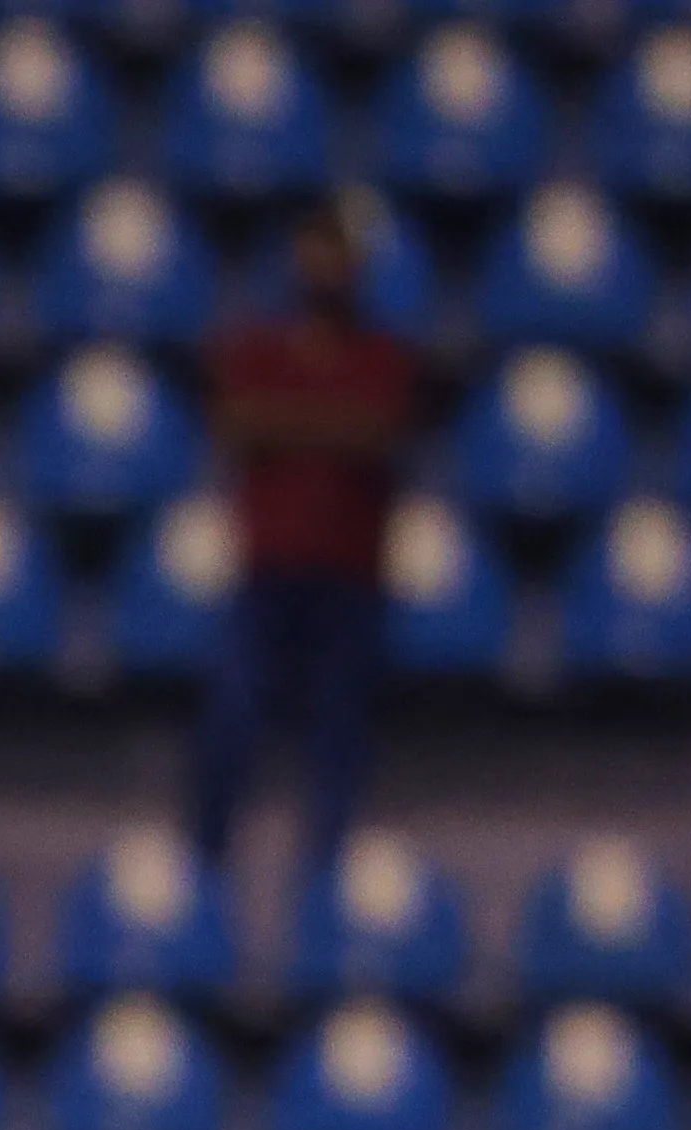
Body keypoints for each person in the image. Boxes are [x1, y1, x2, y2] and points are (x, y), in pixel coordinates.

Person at [187, 206, 425, 906]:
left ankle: (328, 879)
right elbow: (236, 421)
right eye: (312, 254)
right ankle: (206, 864)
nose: (323, 270)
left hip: (351, 575)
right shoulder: (254, 349)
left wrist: (288, 423)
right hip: (266, 571)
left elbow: (379, 431)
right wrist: (330, 426)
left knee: (340, 728)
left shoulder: (384, 355)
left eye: (337, 256)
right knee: (231, 710)